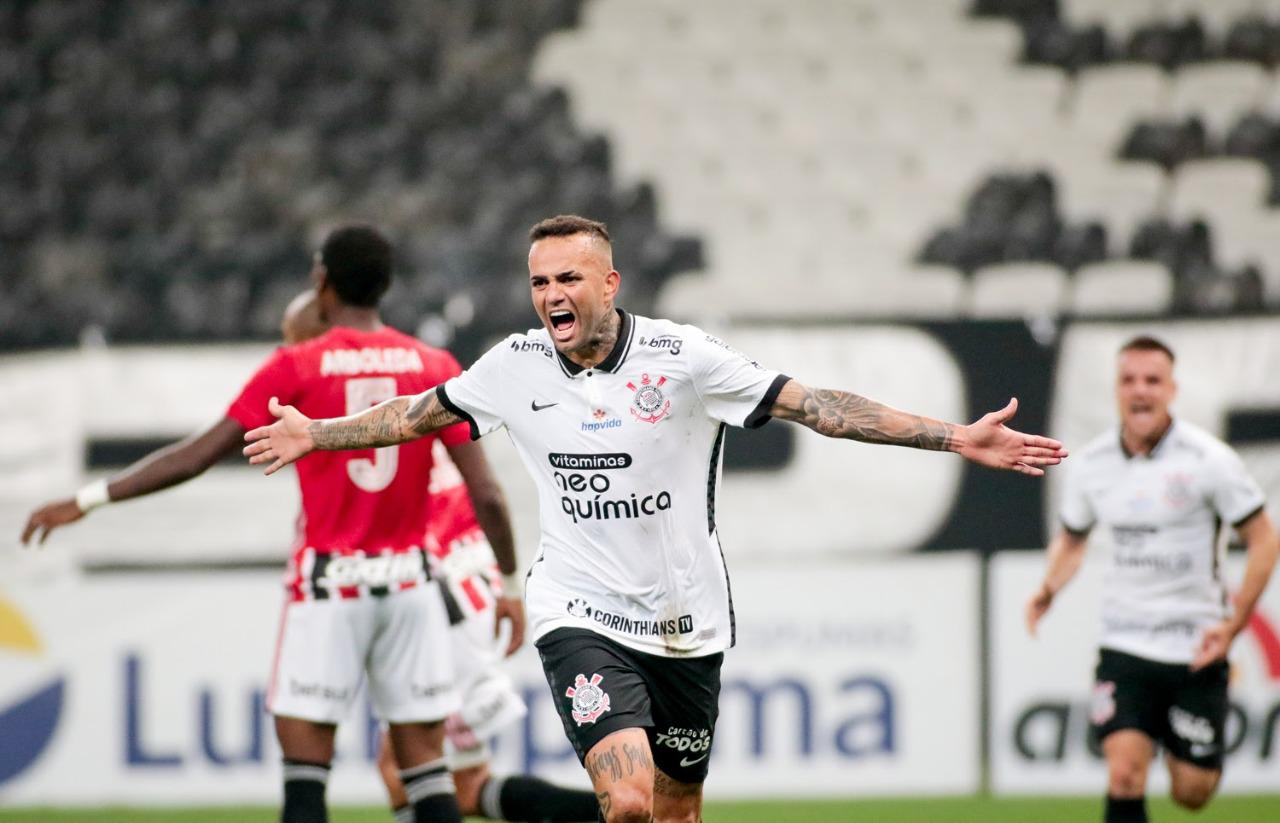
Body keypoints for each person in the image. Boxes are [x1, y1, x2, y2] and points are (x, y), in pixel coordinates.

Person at [244, 214, 1068, 823]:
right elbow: (418, 415)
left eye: (568, 278)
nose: (551, 296)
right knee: (630, 803)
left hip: (687, 621)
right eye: (539, 282)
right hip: (578, 609)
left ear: (610, 283)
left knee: (674, 812)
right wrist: (316, 433)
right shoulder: (514, 365)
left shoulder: (685, 360)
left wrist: (956, 435)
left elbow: (819, 406)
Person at [23, 225, 526, 823]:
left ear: (321, 282)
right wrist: (508, 585)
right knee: (427, 774)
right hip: (412, 587)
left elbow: (196, 456)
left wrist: (89, 498)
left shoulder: (297, 364)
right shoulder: (433, 364)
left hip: (328, 587)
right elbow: (488, 495)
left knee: (306, 779)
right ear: (386, 286)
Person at [283, 290, 601, 823]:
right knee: (468, 786)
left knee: (406, 770)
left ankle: (628, 810)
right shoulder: (395, 402)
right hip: (464, 584)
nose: (286, 354)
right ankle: (621, 810)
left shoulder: (341, 426)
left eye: (291, 342)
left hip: (440, 597)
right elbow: (480, 494)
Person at [1025, 335, 1278, 823]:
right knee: (1124, 775)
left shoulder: (1210, 460)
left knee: (1192, 792)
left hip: (1194, 646)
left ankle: (1181, 747)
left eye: (1152, 380)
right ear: (1116, 389)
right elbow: (1073, 540)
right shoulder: (1093, 465)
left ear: (1171, 389)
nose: (1140, 390)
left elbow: (1265, 539)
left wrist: (1235, 625)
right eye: (1129, 380)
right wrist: (1049, 588)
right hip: (1125, 643)